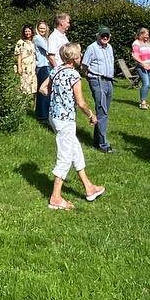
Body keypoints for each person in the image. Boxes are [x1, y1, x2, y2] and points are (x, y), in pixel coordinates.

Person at [40, 42, 106, 210]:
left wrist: (56, 96)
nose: (81, 56)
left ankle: (89, 188)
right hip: (65, 120)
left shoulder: (56, 70)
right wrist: (91, 115)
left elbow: (42, 89)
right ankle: (55, 197)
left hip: (54, 117)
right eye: (80, 54)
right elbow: (81, 102)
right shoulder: (74, 76)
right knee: (65, 157)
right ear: (74, 57)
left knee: (75, 150)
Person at [82, 26, 116, 153]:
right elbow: (84, 65)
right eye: (103, 35)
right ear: (98, 36)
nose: (105, 38)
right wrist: (90, 78)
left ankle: (97, 140)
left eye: (107, 35)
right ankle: (103, 144)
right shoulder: (92, 48)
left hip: (109, 80)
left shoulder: (110, 47)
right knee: (102, 110)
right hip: (97, 79)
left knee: (104, 111)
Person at [32, 21, 52, 124]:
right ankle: (42, 116)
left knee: (47, 90)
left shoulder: (45, 39)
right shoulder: (37, 38)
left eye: (44, 28)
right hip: (42, 67)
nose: (42, 30)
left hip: (47, 66)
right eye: (40, 28)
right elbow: (49, 49)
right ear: (37, 29)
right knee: (44, 90)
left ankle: (44, 113)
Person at [131, 27, 150, 109]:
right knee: (146, 83)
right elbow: (135, 56)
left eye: (148, 35)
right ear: (140, 34)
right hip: (142, 67)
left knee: (148, 85)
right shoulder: (136, 43)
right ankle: (142, 102)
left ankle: (144, 100)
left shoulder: (148, 43)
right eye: (145, 35)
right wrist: (142, 64)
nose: (147, 36)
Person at [14, 25, 37, 100]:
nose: (27, 33)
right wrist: (19, 67)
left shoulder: (34, 41)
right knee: (25, 82)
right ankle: (24, 100)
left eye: (29, 31)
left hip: (33, 65)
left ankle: (33, 101)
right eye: (26, 31)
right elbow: (19, 55)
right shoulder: (20, 42)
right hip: (25, 65)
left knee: (33, 83)